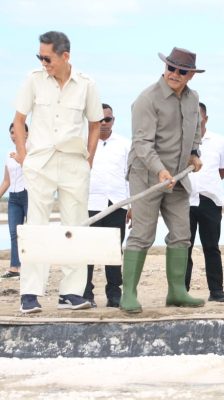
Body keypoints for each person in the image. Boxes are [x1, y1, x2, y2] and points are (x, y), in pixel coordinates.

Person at [13, 31, 103, 314]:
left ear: (65, 56)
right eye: (40, 57)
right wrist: (25, 156)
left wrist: (88, 159)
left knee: (75, 226)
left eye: (47, 57)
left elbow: (95, 123)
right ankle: (30, 293)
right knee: (36, 226)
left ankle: (71, 293)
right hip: (40, 163)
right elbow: (18, 120)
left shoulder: (87, 84)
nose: (43, 62)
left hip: (74, 164)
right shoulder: (33, 80)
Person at [120, 47, 205, 313]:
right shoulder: (147, 98)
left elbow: (194, 132)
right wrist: (159, 171)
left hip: (178, 177)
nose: (175, 74)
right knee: (143, 234)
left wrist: (194, 153)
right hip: (147, 175)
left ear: (190, 75)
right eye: (171, 68)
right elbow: (142, 144)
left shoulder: (193, 99)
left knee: (182, 234)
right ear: (165, 68)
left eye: (182, 71)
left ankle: (177, 292)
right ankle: (128, 295)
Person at [83, 103, 130, 308]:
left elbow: (131, 176)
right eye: (99, 119)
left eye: (107, 119)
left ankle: (114, 293)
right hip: (89, 203)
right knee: (88, 250)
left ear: (113, 121)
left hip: (116, 203)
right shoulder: (82, 143)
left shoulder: (124, 144)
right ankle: (85, 293)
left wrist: (132, 205)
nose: (103, 123)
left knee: (113, 251)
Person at [185, 102, 224, 302]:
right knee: (183, 247)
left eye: (199, 116)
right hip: (185, 200)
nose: (196, 120)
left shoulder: (219, 141)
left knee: (211, 246)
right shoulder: (182, 142)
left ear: (205, 118)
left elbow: (222, 171)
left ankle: (216, 290)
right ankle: (181, 290)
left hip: (210, 200)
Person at [0, 123, 29, 280]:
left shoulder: (33, 151)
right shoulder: (8, 153)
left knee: (30, 232)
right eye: (11, 132)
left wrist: (21, 160)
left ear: (26, 133)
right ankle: (14, 268)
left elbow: (37, 172)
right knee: (14, 233)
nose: (14, 134)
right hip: (13, 198)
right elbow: (6, 180)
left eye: (17, 131)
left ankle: (31, 267)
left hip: (29, 195)